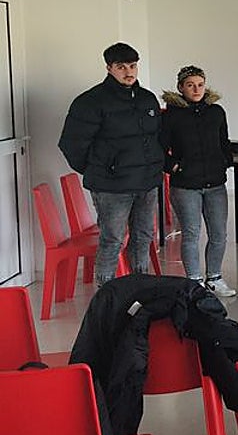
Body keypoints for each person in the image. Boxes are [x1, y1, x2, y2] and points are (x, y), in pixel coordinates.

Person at [58, 42, 164, 285]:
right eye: (121, 66)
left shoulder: (147, 99)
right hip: (112, 188)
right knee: (112, 240)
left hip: (146, 183)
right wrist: (100, 169)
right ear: (109, 68)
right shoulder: (90, 102)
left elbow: (157, 137)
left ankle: (139, 291)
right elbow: (71, 144)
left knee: (143, 237)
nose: (129, 72)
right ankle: (105, 297)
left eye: (133, 65)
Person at [159, 65, 235, 297]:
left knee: (219, 234)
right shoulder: (171, 115)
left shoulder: (216, 112)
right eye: (190, 85)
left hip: (215, 184)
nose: (196, 89)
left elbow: (224, 141)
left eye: (200, 84)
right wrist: (173, 166)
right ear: (181, 87)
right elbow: (159, 147)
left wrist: (225, 161)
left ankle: (214, 277)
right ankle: (194, 281)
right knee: (191, 234)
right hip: (185, 185)